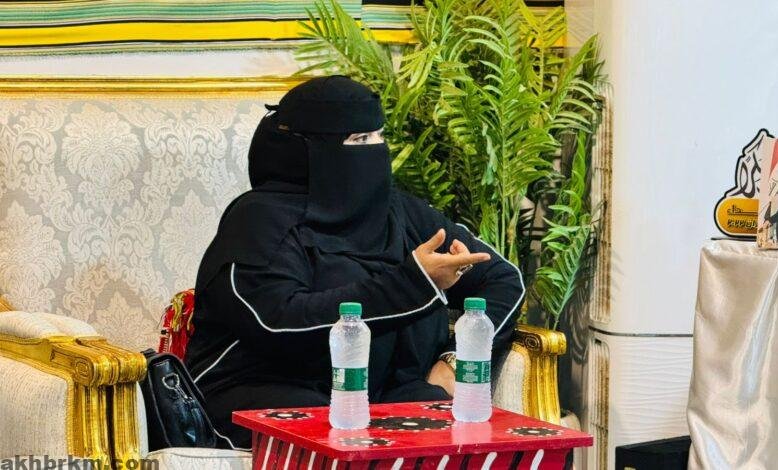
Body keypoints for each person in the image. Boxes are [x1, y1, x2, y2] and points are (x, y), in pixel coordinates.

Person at [185, 76, 525, 449]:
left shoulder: (400, 213)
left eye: (379, 136)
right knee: (333, 432)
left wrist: (455, 361)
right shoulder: (258, 220)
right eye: (359, 140)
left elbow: (502, 279)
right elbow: (278, 322)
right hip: (269, 392)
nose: (377, 150)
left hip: (385, 398)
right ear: (309, 149)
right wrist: (413, 283)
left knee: (449, 426)